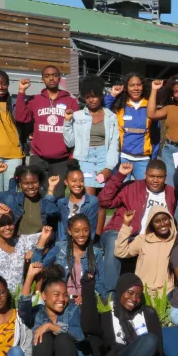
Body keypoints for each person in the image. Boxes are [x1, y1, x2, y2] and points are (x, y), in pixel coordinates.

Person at [18, 263, 86, 356]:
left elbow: (80, 335)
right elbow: (22, 308)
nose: (62, 299)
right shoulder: (36, 314)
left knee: (63, 338)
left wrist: (52, 326)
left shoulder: (73, 309)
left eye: (64, 294)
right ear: (43, 296)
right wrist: (29, 277)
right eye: (56, 294)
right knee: (43, 339)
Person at [98, 160, 176, 294]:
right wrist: (119, 176)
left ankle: (161, 292)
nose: (155, 180)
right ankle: (109, 294)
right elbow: (105, 201)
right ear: (145, 174)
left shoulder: (171, 192)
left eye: (160, 177)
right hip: (121, 230)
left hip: (149, 237)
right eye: (152, 176)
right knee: (113, 242)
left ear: (166, 177)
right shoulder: (132, 186)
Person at [63, 76, 119, 236]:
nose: (91, 100)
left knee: (102, 203)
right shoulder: (77, 116)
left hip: (104, 160)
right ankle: (84, 236)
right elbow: (69, 142)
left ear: (101, 96)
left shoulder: (111, 117)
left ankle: (97, 238)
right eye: (88, 97)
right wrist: (67, 122)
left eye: (94, 96)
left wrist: (109, 168)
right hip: (85, 161)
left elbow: (114, 145)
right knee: (87, 201)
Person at [14, 67, 80, 198]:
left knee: (58, 194)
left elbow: (76, 129)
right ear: (42, 79)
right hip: (38, 156)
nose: (51, 78)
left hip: (61, 158)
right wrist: (21, 91)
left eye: (55, 75)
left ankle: (55, 219)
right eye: (47, 76)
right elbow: (20, 117)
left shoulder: (70, 101)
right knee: (35, 193)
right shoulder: (35, 100)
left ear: (60, 78)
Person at [32, 215, 104, 303]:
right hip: (61, 300)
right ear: (69, 231)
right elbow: (37, 266)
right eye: (76, 231)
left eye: (85, 230)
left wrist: (88, 294)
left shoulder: (96, 253)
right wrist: (43, 239)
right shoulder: (60, 248)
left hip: (86, 301)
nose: (81, 234)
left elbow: (101, 282)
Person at [104, 73, 159, 181]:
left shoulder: (149, 106)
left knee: (142, 193)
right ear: (126, 87)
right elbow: (103, 108)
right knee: (121, 192)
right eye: (132, 85)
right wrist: (113, 95)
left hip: (143, 160)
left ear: (143, 87)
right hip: (122, 158)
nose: (136, 88)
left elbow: (156, 136)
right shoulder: (120, 105)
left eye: (138, 85)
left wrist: (153, 158)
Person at [0, 164, 56, 236]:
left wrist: (51, 190)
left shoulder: (46, 201)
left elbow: (52, 211)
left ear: (39, 183)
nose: (31, 186)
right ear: (20, 184)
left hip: (39, 243)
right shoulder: (11, 198)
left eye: (34, 182)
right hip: (16, 245)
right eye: (26, 183)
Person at [114, 206, 177, 296]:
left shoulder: (177, 241)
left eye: (165, 219)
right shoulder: (142, 240)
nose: (162, 224)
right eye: (157, 221)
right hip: (144, 292)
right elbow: (120, 252)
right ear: (151, 224)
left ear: (170, 220)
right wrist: (126, 224)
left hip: (168, 293)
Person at [44, 161, 99, 242]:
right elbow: (48, 211)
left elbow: (91, 228)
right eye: (74, 180)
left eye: (81, 180)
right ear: (66, 182)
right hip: (63, 244)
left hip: (83, 244)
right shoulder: (61, 203)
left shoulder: (91, 201)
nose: (78, 184)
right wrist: (51, 188)